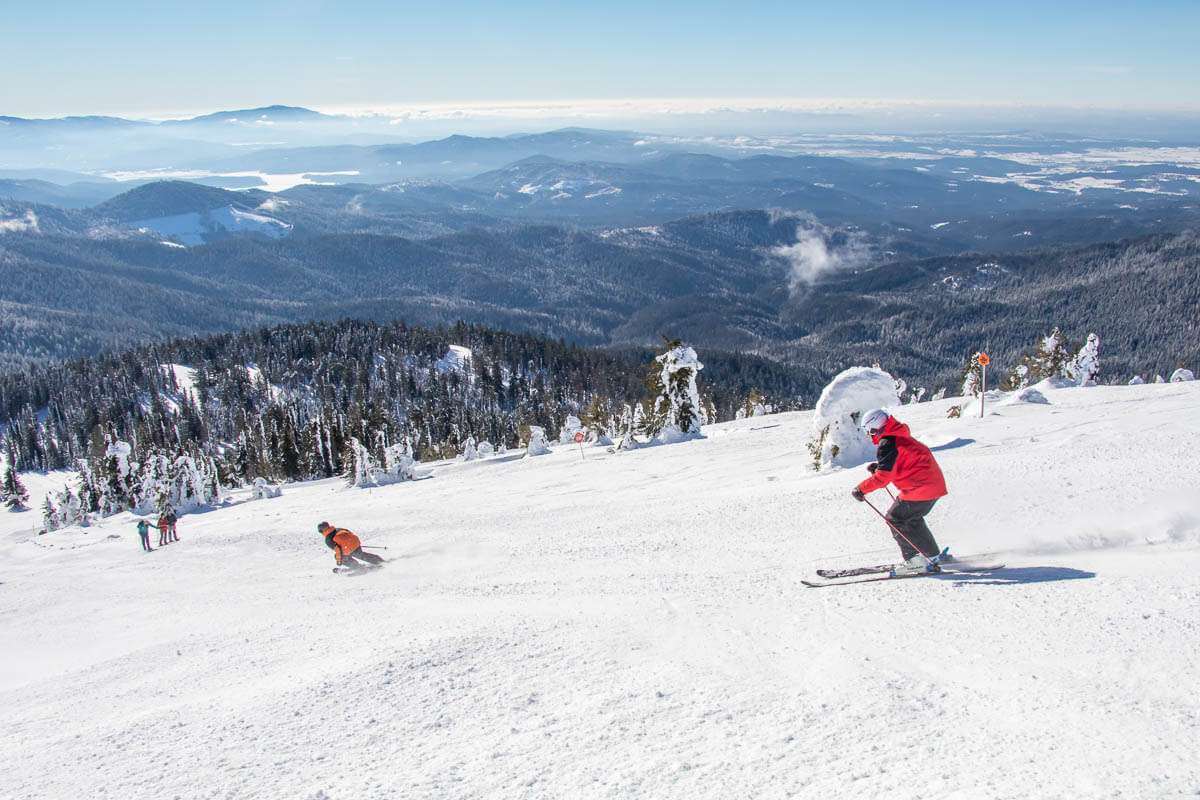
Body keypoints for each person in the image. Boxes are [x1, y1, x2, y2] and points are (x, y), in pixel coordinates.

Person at [851, 409, 948, 574]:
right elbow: (900, 461)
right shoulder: (898, 435)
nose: (869, 435)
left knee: (894, 518)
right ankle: (932, 555)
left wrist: (861, 489)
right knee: (911, 519)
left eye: (869, 431)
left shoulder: (888, 443)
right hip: (933, 485)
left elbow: (883, 477)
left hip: (920, 488)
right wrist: (880, 467)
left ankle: (914, 560)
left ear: (874, 428)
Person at [318, 521, 384, 571]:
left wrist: (339, 561)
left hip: (348, 548)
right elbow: (348, 532)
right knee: (360, 554)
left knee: (340, 557)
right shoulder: (338, 529)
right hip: (355, 542)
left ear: (321, 531)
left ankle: (357, 567)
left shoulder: (328, 539)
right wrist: (351, 543)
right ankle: (378, 560)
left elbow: (338, 550)